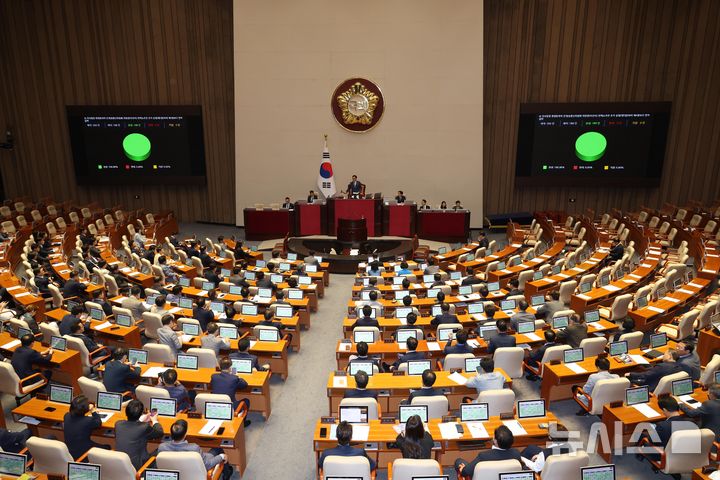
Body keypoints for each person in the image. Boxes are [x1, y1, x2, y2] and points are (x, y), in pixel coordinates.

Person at [159, 419, 228, 473]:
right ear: (185, 434)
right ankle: (227, 473)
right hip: (197, 470)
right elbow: (207, 465)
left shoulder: (162, 447)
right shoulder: (194, 448)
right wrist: (222, 456)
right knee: (218, 449)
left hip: (176, 473)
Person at [115, 399, 164, 470]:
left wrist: (140, 421)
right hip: (138, 467)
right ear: (141, 413)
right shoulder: (144, 427)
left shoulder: (118, 424)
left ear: (126, 412)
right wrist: (154, 420)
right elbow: (159, 433)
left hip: (120, 464)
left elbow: (132, 430)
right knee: (161, 448)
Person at [455, 425, 521, 477]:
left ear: (495, 441)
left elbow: (466, 472)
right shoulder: (516, 454)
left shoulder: (484, 456)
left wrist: (463, 469)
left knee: (459, 461)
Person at [63, 394, 108, 458]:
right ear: (85, 409)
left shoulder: (66, 416)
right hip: (83, 453)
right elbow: (98, 423)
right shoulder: (88, 421)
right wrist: (93, 411)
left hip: (69, 450)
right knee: (107, 447)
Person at [210, 357, 251, 426]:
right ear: (230, 368)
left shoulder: (214, 376)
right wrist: (236, 376)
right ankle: (243, 423)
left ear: (220, 367)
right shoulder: (234, 378)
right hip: (229, 407)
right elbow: (244, 385)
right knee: (246, 401)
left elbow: (212, 384)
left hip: (215, 406)